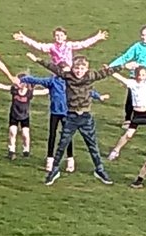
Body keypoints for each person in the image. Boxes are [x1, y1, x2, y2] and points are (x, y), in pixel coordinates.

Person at [33, 54, 120, 186]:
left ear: (86, 68)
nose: (79, 71)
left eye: (82, 68)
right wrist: (38, 59)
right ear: (72, 68)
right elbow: (54, 68)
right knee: (62, 145)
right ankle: (54, 170)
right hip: (71, 116)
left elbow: (105, 72)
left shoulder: (90, 76)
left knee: (93, 146)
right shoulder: (68, 76)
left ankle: (100, 170)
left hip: (85, 117)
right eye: (76, 68)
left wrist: (123, 66)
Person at [12, 27, 107, 67]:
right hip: (57, 70)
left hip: (69, 69)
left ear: (65, 37)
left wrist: (97, 37)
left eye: (61, 35)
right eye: (57, 35)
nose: (59, 37)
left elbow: (83, 44)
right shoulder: (51, 47)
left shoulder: (69, 45)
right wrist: (24, 38)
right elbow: (38, 45)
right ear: (54, 37)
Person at [2, 76, 47, 160]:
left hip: (24, 117)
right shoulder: (14, 90)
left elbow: (44, 92)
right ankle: (11, 150)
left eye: (23, 83)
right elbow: (3, 86)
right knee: (12, 132)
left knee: (25, 134)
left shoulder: (29, 93)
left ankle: (26, 150)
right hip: (14, 115)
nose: (21, 84)